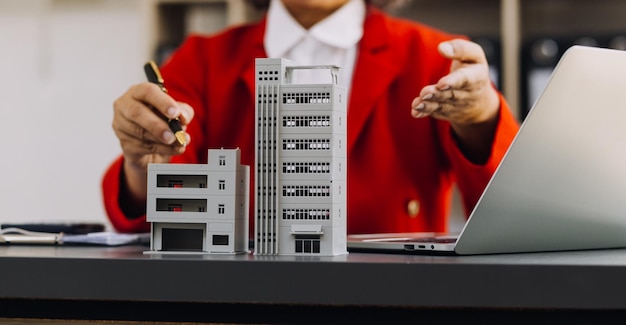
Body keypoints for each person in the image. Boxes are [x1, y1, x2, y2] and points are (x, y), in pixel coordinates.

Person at [102, 0, 519, 234]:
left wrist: (481, 117)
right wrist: (145, 168)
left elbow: (513, 208)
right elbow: (166, 218)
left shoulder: (432, 55)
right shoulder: (201, 62)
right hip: (243, 304)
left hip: (396, 302)